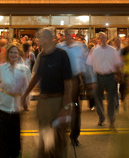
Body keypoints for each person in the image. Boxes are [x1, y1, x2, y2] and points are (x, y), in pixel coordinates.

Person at [21, 27, 73, 158]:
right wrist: (25, 93)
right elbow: (37, 76)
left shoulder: (62, 55)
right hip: (43, 101)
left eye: (43, 37)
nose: (40, 40)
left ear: (50, 38)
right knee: (45, 137)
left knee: (59, 139)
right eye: (39, 37)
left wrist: (65, 107)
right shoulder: (41, 56)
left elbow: (68, 83)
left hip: (58, 101)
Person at [0, 45, 31, 158]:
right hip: (3, 106)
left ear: (19, 54)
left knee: (15, 137)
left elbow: (27, 87)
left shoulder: (24, 69)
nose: (13, 55)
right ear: (7, 54)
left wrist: (26, 102)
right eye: (11, 52)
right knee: (2, 136)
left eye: (16, 53)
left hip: (16, 107)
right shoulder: (1, 68)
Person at [57, 29, 93, 146]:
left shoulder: (80, 47)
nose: (68, 36)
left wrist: (89, 80)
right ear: (64, 36)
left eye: (70, 34)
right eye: (66, 34)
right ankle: (61, 133)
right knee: (62, 106)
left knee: (76, 107)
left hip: (75, 80)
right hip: (62, 81)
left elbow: (86, 64)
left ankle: (74, 135)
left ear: (72, 36)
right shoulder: (59, 47)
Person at [86, 32, 123, 129]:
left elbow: (117, 64)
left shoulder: (112, 50)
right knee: (98, 98)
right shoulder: (94, 50)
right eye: (100, 37)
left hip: (110, 76)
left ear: (106, 39)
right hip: (98, 77)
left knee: (111, 99)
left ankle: (112, 120)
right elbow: (89, 64)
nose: (102, 39)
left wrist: (117, 76)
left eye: (104, 37)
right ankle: (101, 118)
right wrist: (92, 79)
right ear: (98, 39)